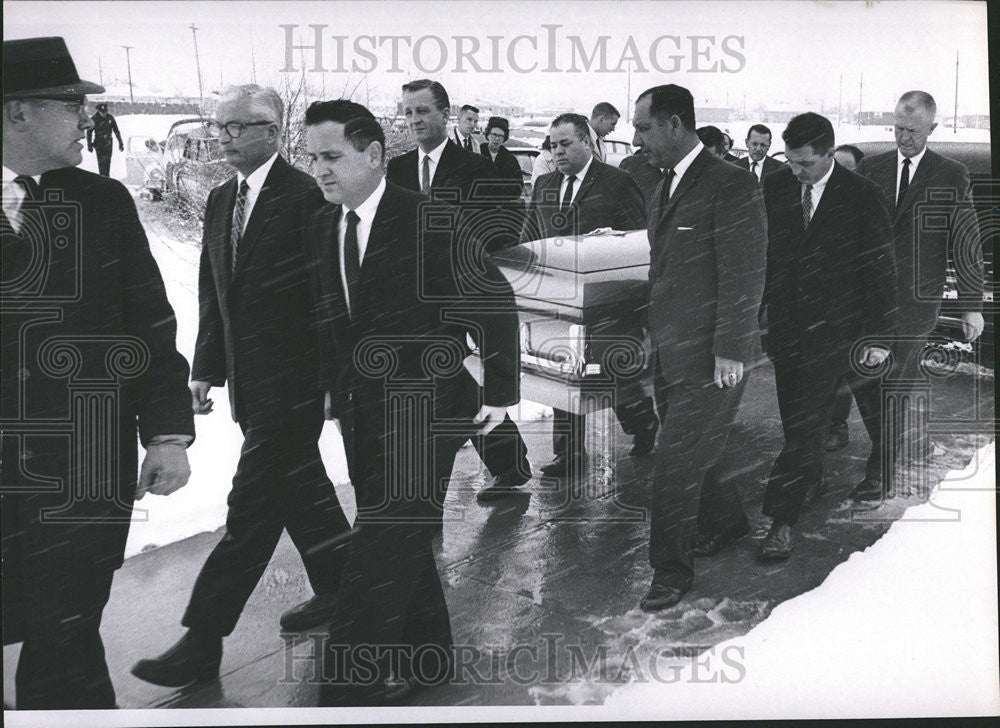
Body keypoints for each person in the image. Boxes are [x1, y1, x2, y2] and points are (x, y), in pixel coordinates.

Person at [130, 85, 352, 688]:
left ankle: (203, 639)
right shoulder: (222, 196)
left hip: (297, 387)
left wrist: (332, 382)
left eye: (237, 126)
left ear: (274, 130)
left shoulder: (307, 196)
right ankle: (344, 589)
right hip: (251, 385)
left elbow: (327, 300)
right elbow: (214, 291)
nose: (222, 136)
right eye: (219, 125)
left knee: (250, 512)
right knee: (303, 493)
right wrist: (205, 369)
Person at [300, 99, 520, 704]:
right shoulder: (326, 224)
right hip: (361, 408)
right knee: (398, 532)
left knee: (379, 540)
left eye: (332, 156)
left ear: (373, 155)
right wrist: (329, 387)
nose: (319, 169)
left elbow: (494, 304)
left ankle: (347, 690)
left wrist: (501, 393)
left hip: (429, 406)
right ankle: (428, 657)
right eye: (313, 157)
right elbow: (331, 318)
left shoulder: (429, 219)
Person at [1, 36, 194, 709]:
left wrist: (167, 434)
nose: (86, 117)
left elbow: (149, 326)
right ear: (17, 112)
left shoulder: (103, 203)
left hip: (81, 474)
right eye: (71, 104)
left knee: (68, 641)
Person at [631, 84, 766, 611]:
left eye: (643, 127)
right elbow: (664, 269)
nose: (637, 138)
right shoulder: (664, 184)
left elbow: (745, 272)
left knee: (672, 465)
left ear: (673, 124)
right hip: (673, 349)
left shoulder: (729, 184)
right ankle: (728, 523)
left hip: (713, 357)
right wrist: (651, 330)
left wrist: (731, 349)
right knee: (695, 453)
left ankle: (669, 571)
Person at [758, 112, 897, 559]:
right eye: (791, 162)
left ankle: (782, 519)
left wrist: (879, 337)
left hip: (839, 330)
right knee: (796, 419)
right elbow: (767, 257)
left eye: (805, 164)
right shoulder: (776, 187)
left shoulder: (861, 195)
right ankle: (809, 476)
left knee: (803, 426)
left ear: (829, 153)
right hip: (786, 329)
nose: (795, 172)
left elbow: (880, 269)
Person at [387, 79, 530, 500]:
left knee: (446, 390)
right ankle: (511, 463)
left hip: (462, 294)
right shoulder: (394, 171)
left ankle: (425, 505)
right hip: (414, 301)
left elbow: (500, 227)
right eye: (408, 111)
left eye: (422, 111)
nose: (414, 120)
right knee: (459, 387)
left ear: (445, 114)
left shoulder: (474, 169)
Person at [849, 91, 984, 502]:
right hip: (868, 300)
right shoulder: (870, 170)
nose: (903, 138)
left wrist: (971, 306)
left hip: (915, 302)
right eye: (898, 129)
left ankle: (881, 474)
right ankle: (899, 438)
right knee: (860, 375)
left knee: (897, 381)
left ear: (932, 128)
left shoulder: (951, 174)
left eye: (912, 130)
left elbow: (966, 242)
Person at [522, 112, 657, 478]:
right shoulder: (546, 184)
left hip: (606, 301)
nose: (558, 151)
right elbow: (530, 236)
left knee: (610, 373)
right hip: (558, 300)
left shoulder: (616, 181)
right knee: (562, 374)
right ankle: (570, 455)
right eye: (553, 145)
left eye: (566, 143)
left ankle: (643, 425)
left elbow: (638, 238)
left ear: (586, 141)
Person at [824, 143, 867, 451]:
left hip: (855, 305)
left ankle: (837, 425)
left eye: (847, 169)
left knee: (845, 370)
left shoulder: (867, 203)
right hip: (823, 304)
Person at [86, 101, 123, 177]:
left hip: (108, 143)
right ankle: (103, 178)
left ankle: (106, 178)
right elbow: (89, 132)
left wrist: (120, 143)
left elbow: (116, 130)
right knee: (102, 164)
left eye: (105, 112)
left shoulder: (110, 118)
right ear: (98, 111)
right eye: (102, 112)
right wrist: (89, 144)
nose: (104, 114)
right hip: (99, 143)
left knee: (107, 163)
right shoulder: (94, 119)